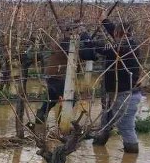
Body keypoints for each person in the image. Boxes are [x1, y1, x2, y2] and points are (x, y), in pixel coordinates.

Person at [92, 19, 142, 154]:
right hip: (121, 93)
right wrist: (104, 20)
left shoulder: (122, 48)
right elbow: (115, 32)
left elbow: (102, 49)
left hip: (125, 95)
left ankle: (131, 155)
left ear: (118, 33)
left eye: (115, 32)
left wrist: (86, 39)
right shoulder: (129, 43)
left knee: (125, 127)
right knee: (107, 121)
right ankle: (100, 147)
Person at [36, 27, 95, 123]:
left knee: (51, 100)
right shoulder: (66, 43)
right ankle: (63, 123)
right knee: (70, 99)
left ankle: (40, 121)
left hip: (52, 76)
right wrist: (88, 42)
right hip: (57, 76)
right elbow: (86, 55)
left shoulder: (63, 41)